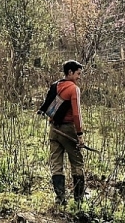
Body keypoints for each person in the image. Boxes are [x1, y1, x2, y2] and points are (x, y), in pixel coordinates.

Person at [38, 60, 86, 205]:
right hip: (68, 130)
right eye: (78, 74)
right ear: (70, 72)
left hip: (53, 129)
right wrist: (80, 134)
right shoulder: (73, 89)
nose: (79, 77)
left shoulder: (55, 85)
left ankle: (60, 199)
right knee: (77, 163)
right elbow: (77, 115)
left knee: (56, 164)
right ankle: (78, 201)